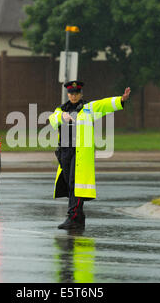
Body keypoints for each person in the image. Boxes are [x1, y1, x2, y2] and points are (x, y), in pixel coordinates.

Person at [49, 80, 131, 230]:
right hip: (65, 152)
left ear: (81, 94)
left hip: (80, 153)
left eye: (76, 93)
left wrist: (121, 100)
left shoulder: (88, 109)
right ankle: (78, 218)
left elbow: (104, 104)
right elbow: (52, 119)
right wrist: (62, 117)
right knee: (69, 184)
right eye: (71, 93)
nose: (74, 96)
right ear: (68, 94)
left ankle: (73, 217)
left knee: (76, 184)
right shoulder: (62, 109)